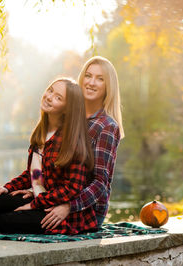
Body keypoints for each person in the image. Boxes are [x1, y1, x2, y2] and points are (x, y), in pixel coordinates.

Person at [0, 78, 97, 236]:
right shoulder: (42, 134)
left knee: (3, 220)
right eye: (50, 90)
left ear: (67, 109)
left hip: (61, 213)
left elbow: (72, 189)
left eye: (58, 97)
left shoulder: (73, 141)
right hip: (42, 200)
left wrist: (34, 204)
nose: (49, 97)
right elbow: (34, 174)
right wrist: (7, 188)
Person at [36, 56, 124, 230]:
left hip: (87, 211)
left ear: (108, 87)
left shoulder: (106, 126)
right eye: (88, 75)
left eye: (100, 79)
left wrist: (68, 207)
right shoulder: (67, 117)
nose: (91, 82)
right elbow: (48, 164)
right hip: (56, 197)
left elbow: (100, 183)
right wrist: (33, 187)